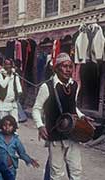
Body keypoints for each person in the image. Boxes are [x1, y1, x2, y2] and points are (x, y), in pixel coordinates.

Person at [32, 52, 85, 180]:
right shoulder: (47, 87)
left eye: (70, 66)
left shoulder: (74, 85)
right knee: (56, 173)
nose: (68, 70)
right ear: (56, 68)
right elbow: (36, 109)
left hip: (73, 133)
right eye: (64, 66)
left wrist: (82, 116)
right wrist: (40, 126)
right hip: (55, 134)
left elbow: (72, 106)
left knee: (76, 170)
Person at [0, 115, 39, 180]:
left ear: (14, 126)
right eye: (5, 125)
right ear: (1, 126)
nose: (7, 127)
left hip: (10, 169)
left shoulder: (16, 140)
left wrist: (30, 160)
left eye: (10, 125)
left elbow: (22, 153)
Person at [0, 58, 22, 123]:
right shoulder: (0, 74)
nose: (8, 66)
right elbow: (3, 85)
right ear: (4, 65)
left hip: (13, 103)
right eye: (6, 64)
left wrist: (18, 93)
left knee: (14, 122)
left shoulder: (15, 74)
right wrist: (8, 76)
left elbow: (18, 86)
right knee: (3, 122)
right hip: (3, 103)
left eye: (9, 64)